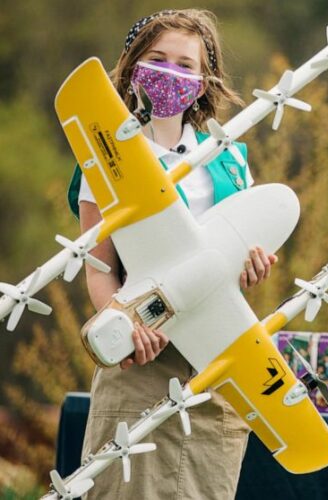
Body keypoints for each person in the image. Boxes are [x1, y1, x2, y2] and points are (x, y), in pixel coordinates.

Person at [66, 9, 275, 498]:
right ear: (133, 67)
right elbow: (99, 269)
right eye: (157, 59)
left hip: (214, 360)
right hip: (141, 362)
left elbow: (235, 252)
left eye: (185, 65)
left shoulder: (229, 156)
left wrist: (253, 266)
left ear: (204, 81)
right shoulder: (107, 156)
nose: (170, 73)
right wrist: (123, 326)